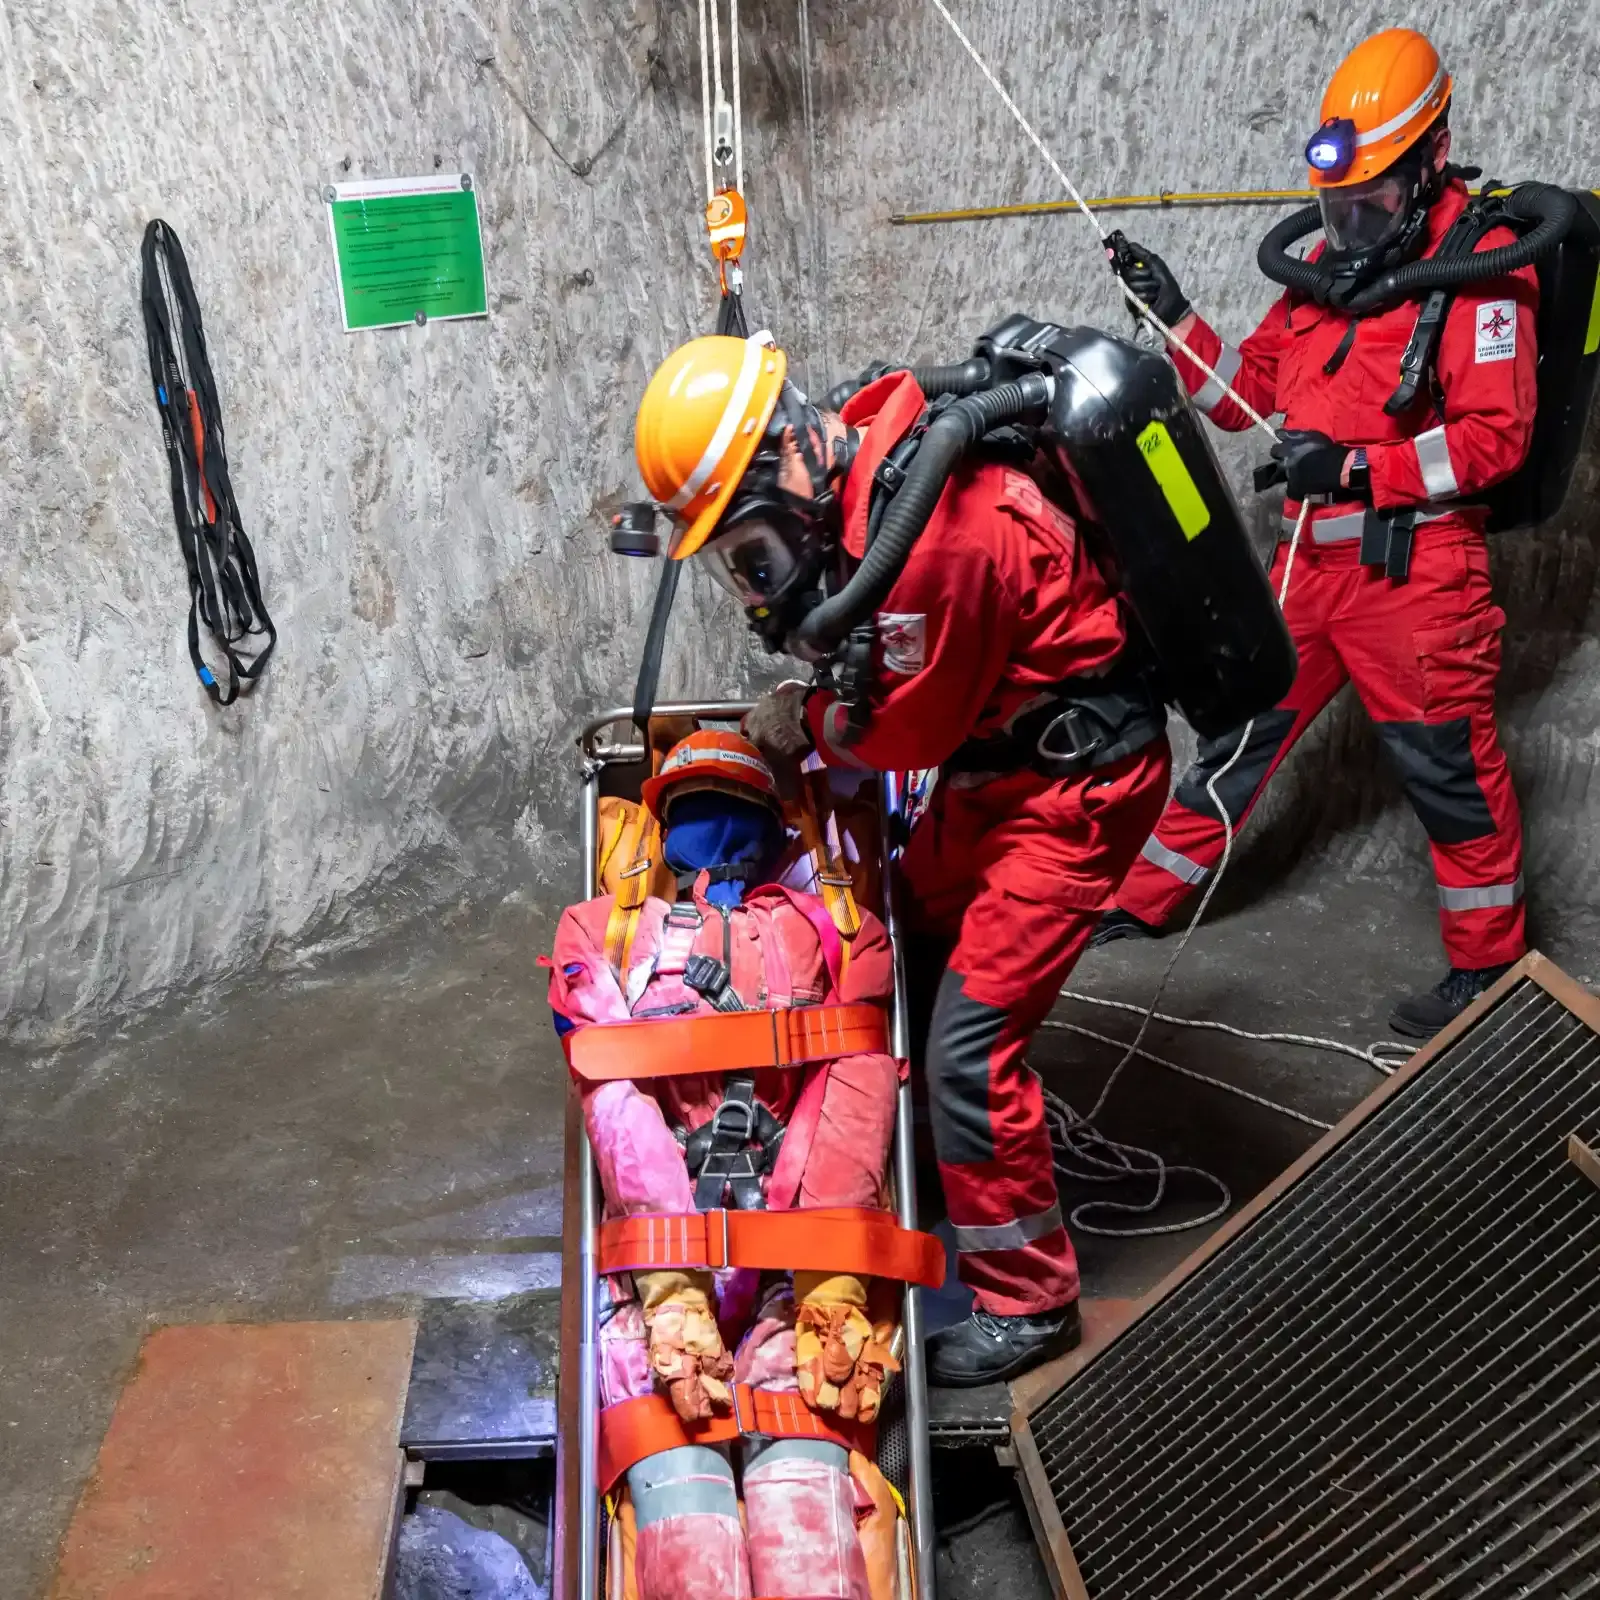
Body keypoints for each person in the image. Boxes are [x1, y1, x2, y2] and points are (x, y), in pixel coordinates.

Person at [630, 333, 1173, 1385]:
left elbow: (900, 735)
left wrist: (812, 723)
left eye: (753, 552)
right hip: (999, 774)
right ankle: (938, 1154)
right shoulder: (873, 465)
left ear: (788, 457)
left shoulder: (939, 545)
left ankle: (1028, 1299)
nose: (757, 585)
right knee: (905, 949)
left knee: (971, 1045)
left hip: (1071, 795)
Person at [1100, 27, 1534, 1038]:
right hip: (1307, 566)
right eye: (1336, 203)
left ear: (1431, 158)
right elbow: (1245, 398)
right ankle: (1138, 905)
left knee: (1448, 776)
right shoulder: (1321, 282)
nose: (1348, 223)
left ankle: (1489, 970)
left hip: (1414, 580)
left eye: (1371, 200)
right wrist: (1176, 317)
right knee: (1234, 741)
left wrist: (1352, 467)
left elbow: (1493, 442)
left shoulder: (1483, 272)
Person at [548, 729, 902, 1600]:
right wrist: (822, 1287)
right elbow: (854, 1093)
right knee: (741, 1515)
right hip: (751, 1271)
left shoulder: (836, 928)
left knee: (728, 1510)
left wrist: (693, 1292)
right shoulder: (839, 930)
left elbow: (620, 1109)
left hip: (720, 1274)